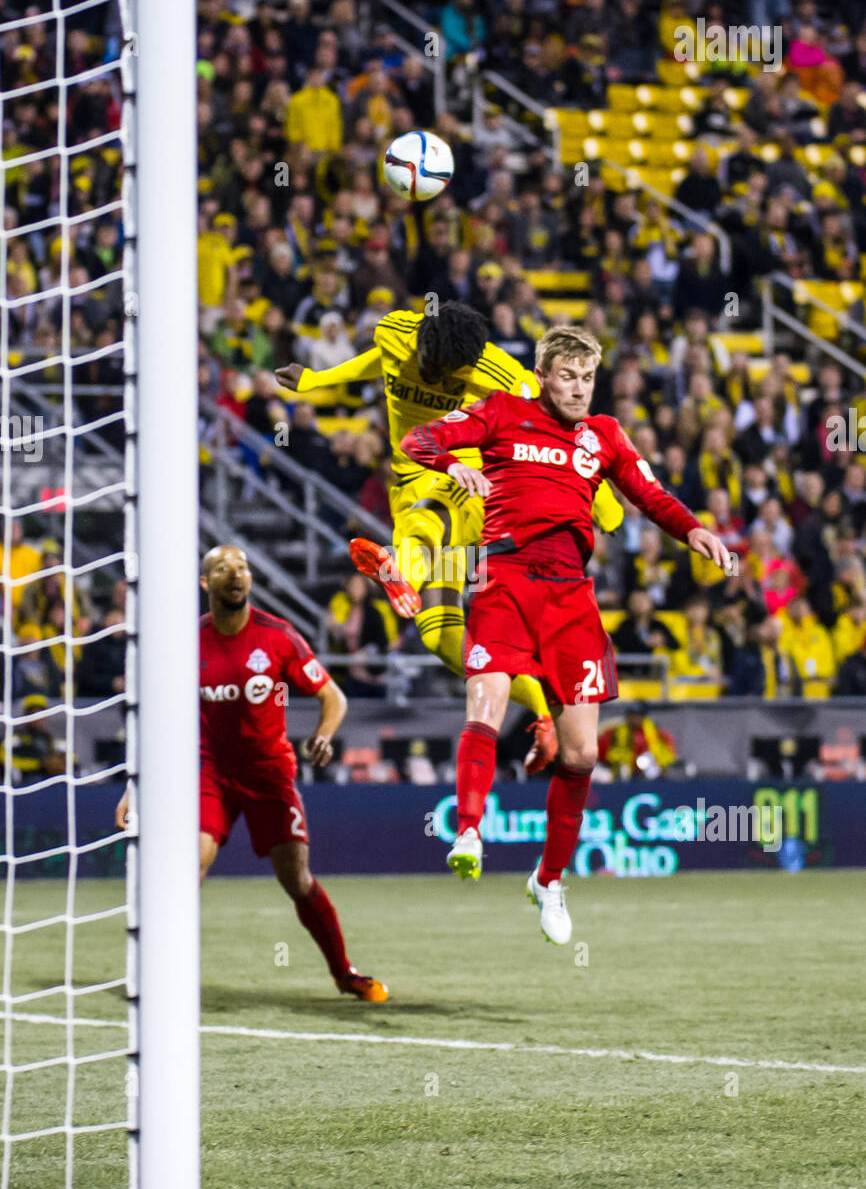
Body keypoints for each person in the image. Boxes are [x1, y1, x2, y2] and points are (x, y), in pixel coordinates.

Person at [400, 326, 732, 944]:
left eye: (587, 378)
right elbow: (418, 439)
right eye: (567, 377)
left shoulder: (604, 435)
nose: (578, 389)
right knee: (487, 703)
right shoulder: (502, 412)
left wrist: (694, 532)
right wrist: (453, 464)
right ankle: (468, 829)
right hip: (504, 581)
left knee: (581, 754)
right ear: (544, 375)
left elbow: (649, 495)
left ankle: (548, 880)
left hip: (570, 597)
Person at [272, 301, 625, 775]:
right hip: (411, 480)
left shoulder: (501, 373)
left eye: (450, 376)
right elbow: (379, 359)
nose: (437, 380)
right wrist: (317, 381)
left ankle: (400, 566)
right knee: (441, 638)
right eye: (432, 367)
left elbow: (561, 426)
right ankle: (542, 710)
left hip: (476, 484)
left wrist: (600, 501)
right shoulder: (395, 331)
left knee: (433, 515)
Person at [115, 545, 387, 1002]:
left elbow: (333, 697)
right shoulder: (186, 642)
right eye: (223, 569)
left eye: (242, 567)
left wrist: (324, 733)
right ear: (206, 583)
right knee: (189, 867)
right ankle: (160, 975)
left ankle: (344, 973)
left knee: (296, 879)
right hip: (207, 770)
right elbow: (155, 715)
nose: (235, 575)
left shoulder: (278, 636)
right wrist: (133, 785)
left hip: (268, 772)